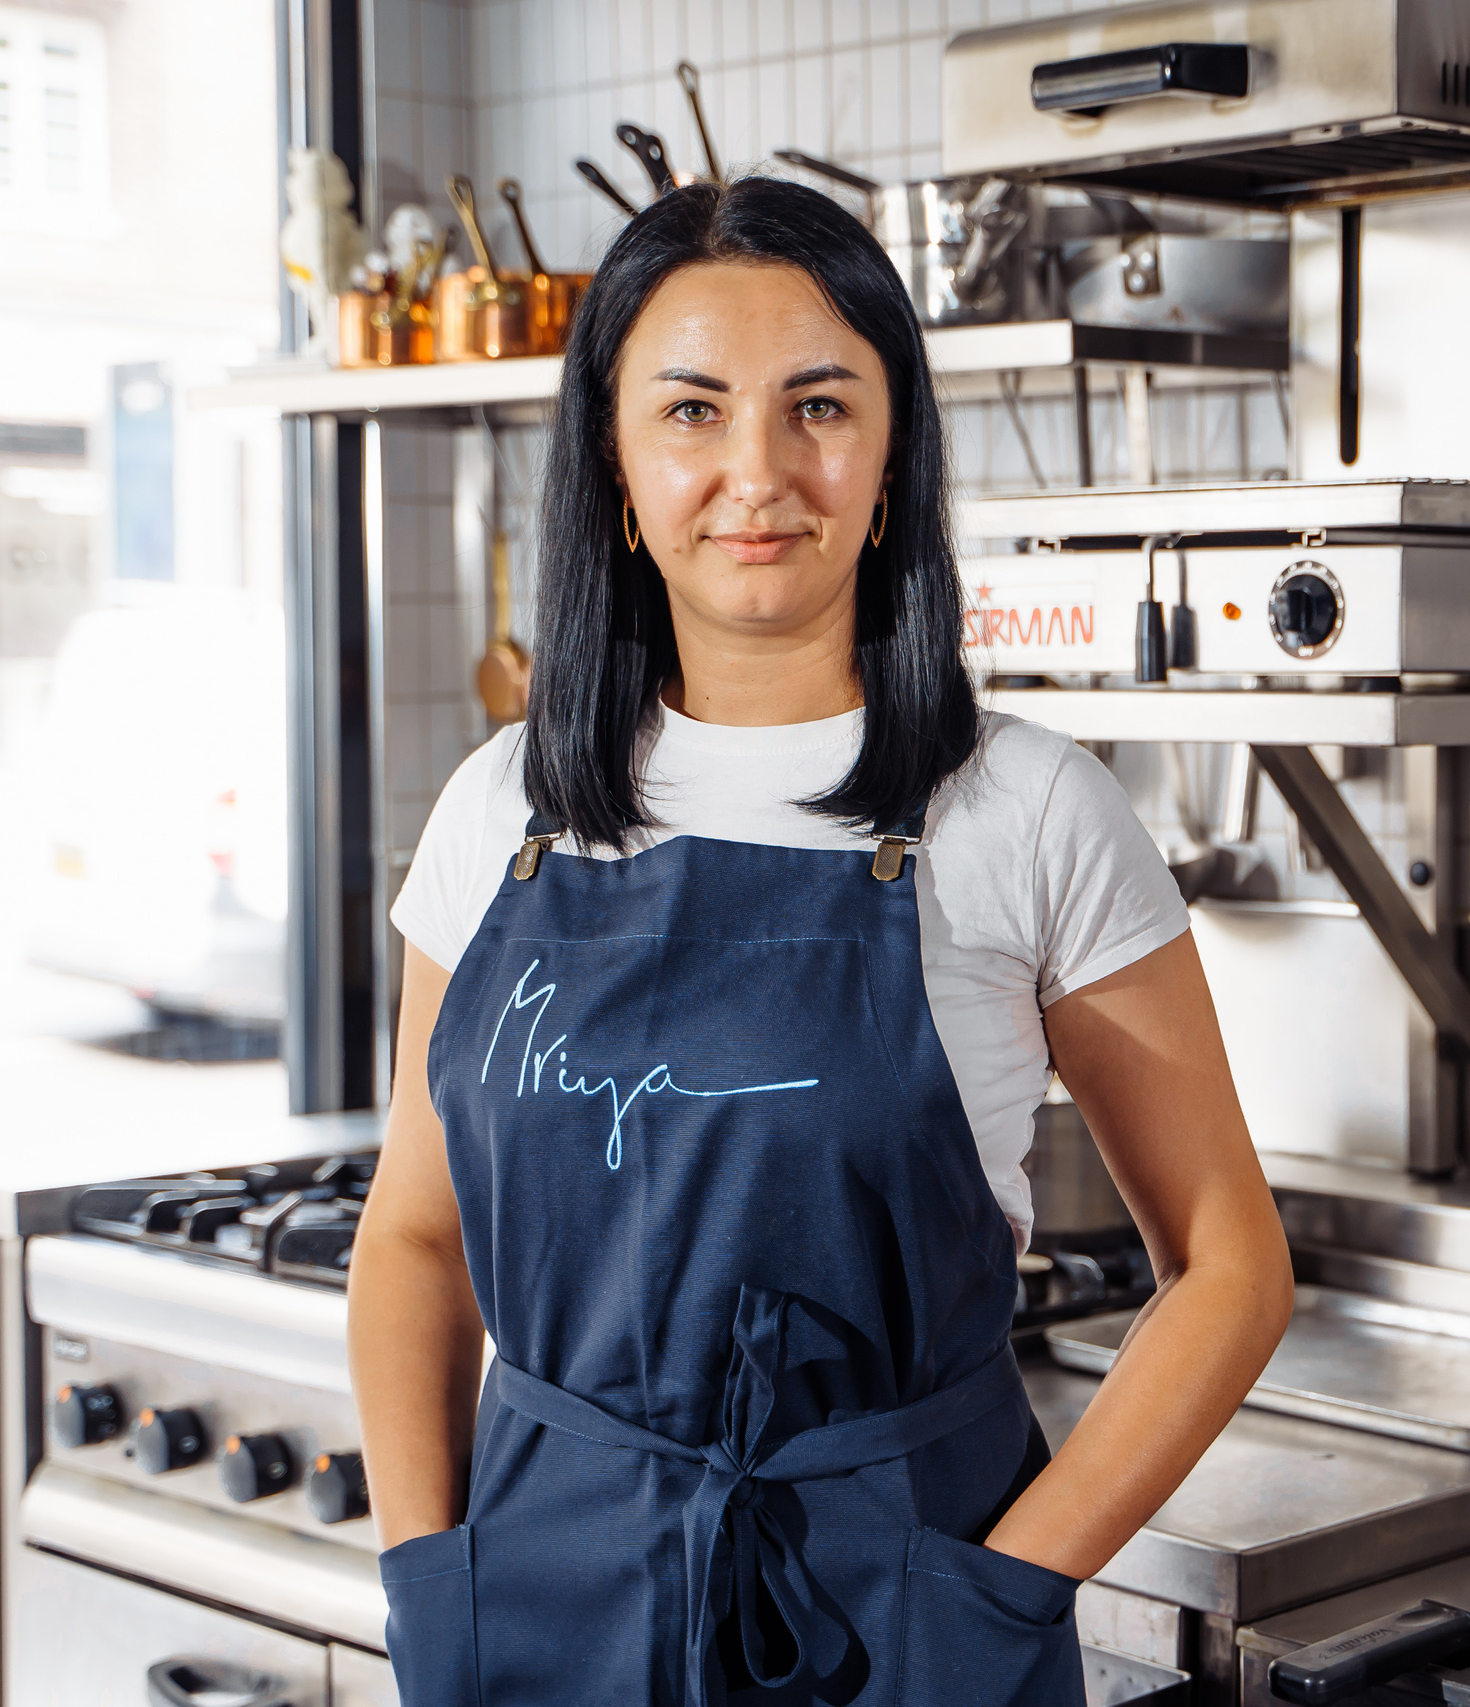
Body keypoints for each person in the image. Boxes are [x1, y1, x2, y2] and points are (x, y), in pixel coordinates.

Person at [351, 175, 1291, 1707]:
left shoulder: (1026, 812)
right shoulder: (503, 805)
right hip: (541, 1596)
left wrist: (997, 1587)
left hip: (902, 1609)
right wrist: (426, 1575)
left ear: (895, 442)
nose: (758, 472)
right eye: (694, 411)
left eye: (819, 405)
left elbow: (1229, 1264)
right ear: (615, 452)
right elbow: (414, 1233)